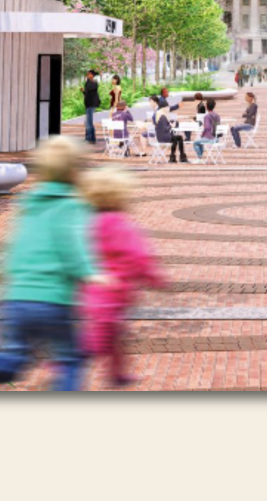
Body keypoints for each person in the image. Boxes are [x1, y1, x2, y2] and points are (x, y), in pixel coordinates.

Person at [0, 138, 108, 391]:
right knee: (70, 359)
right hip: (54, 300)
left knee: (13, 359)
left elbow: (15, 249)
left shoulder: (28, 204)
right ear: (74, 171)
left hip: (16, 297)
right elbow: (72, 246)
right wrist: (92, 274)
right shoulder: (72, 205)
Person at [77, 166, 166, 388]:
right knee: (95, 343)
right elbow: (140, 256)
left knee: (114, 336)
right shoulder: (122, 225)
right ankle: (63, 366)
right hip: (113, 294)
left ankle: (118, 374)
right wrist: (155, 277)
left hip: (91, 293)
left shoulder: (87, 223)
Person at [155, 97, 187, 164]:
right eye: (167, 107)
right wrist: (171, 126)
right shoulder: (162, 116)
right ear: (163, 108)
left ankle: (173, 157)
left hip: (161, 136)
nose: (168, 109)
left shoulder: (160, 114)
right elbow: (165, 129)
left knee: (177, 138)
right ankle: (180, 157)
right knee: (178, 138)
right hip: (164, 137)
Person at [81, 69, 102, 143]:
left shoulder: (94, 83)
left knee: (89, 122)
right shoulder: (88, 82)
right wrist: (83, 91)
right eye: (87, 74)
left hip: (91, 104)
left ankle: (90, 138)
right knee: (88, 122)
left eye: (89, 74)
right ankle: (90, 138)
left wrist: (88, 82)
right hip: (88, 103)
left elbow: (91, 89)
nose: (88, 75)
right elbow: (87, 93)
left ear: (92, 75)